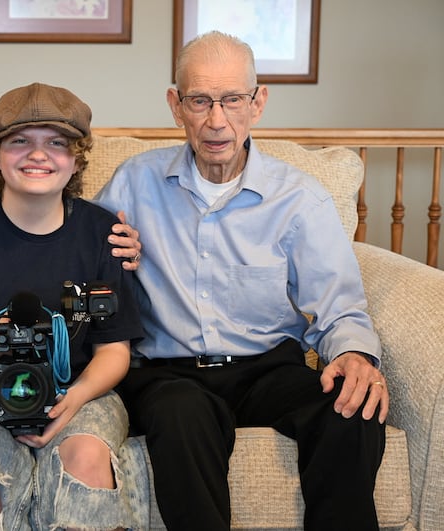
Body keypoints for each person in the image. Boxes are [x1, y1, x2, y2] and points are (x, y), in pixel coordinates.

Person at [94, 31, 388, 531]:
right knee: (180, 412)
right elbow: (76, 258)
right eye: (200, 101)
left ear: (258, 103)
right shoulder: (133, 183)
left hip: (268, 369)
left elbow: (338, 306)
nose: (217, 120)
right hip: (170, 373)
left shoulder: (300, 199)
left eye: (232, 99)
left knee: (353, 409)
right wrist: (114, 257)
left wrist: (354, 354)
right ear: (176, 106)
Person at [0, 82, 144, 531]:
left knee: (86, 457)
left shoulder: (104, 233)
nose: (38, 155)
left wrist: (74, 399)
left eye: (56, 143)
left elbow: (114, 352)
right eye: (20, 141)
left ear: (76, 158)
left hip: (77, 384)